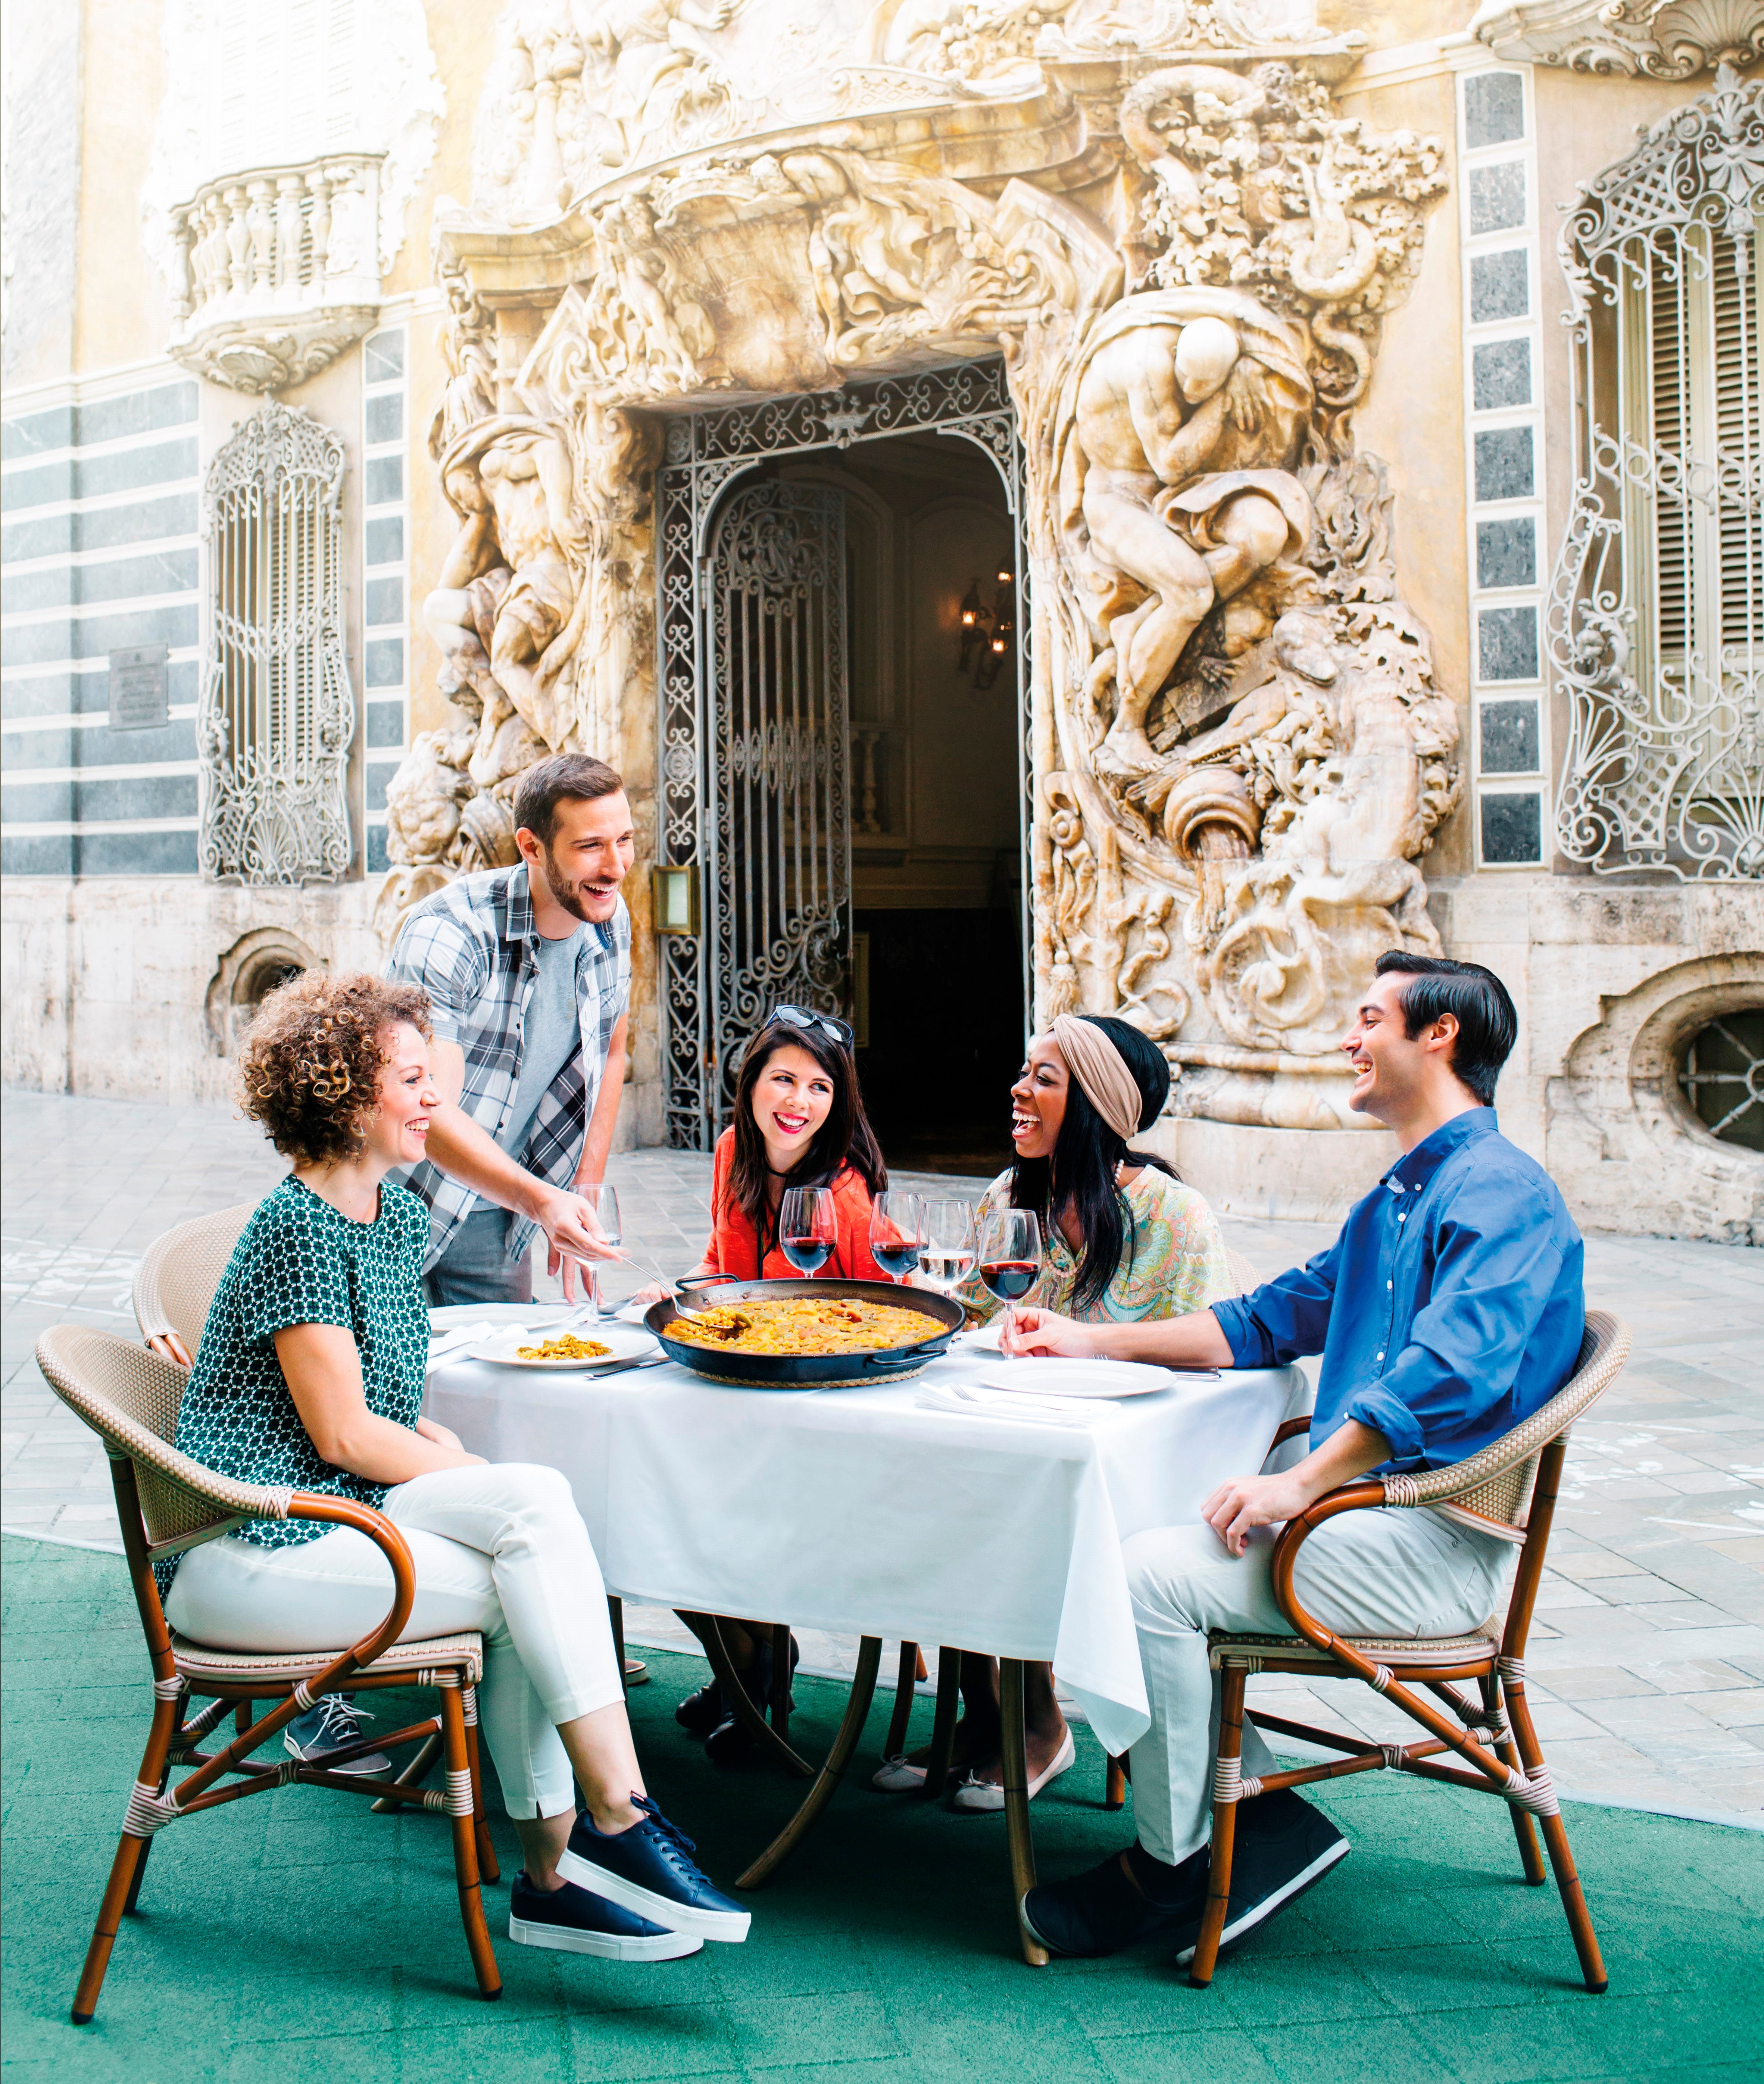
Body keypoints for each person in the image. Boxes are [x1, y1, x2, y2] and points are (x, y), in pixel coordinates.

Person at [1002, 953, 1586, 1968]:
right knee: (1136, 1555)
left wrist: (1302, 1482)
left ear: (1437, 1037)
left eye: (1369, 1018)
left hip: (1431, 1540)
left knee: (1137, 1576)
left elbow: (1450, 1373)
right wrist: (1085, 1340)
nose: (1347, 1039)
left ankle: (1177, 1864)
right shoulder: (1400, 1196)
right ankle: (1251, 1831)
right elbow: (1263, 1321)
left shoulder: (1503, 1194)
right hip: (1367, 1516)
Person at [160, 971, 749, 1962]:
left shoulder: (390, 1220)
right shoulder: (294, 1227)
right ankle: (612, 1814)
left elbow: (382, 1418)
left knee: (532, 1555)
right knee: (532, 1518)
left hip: (332, 1520)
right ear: (342, 1094)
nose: (436, 1097)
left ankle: (560, 1869)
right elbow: (347, 1433)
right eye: (411, 1078)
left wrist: (444, 1450)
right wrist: (462, 1462)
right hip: (249, 1545)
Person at [875, 1012, 1233, 1811]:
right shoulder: (1011, 1196)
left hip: (1126, 1461)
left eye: (1044, 1077)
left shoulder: (1176, 1217)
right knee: (937, 1488)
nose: (1019, 1089)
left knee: (996, 1506)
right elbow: (970, 1312)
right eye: (1025, 1072)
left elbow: (1205, 1354)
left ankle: (1041, 1726)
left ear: (1099, 1104)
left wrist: (1090, 1350)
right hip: (1016, 1436)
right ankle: (983, 1717)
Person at [657, 1004, 891, 1760]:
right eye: (783, 1079)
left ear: (839, 1101)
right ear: (751, 1082)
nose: (799, 1102)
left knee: (706, 1505)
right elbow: (725, 1269)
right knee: (650, 1495)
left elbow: (876, 1317)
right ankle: (752, 1661)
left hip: (821, 1415)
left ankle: (755, 1675)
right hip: (740, 1394)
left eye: (819, 1088)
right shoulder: (734, 1150)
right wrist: (677, 1290)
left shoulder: (846, 1195)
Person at [385, 751, 634, 1312]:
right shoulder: (450, 933)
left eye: (624, 840)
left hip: (499, 1218)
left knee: (494, 1394)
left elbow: (613, 1051)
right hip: (394, 1209)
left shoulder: (611, 922)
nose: (615, 866)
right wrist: (544, 1200)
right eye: (590, 846)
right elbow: (429, 1108)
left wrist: (580, 1193)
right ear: (531, 847)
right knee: (387, 1393)